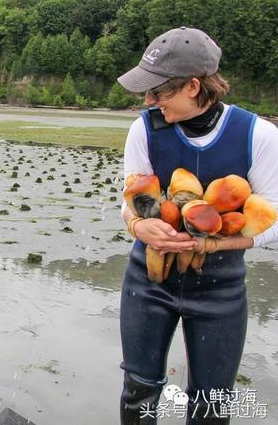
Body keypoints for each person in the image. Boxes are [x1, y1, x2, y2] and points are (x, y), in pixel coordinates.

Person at [116, 27, 278, 424]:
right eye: (147, 92)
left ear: (193, 86)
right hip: (148, 284)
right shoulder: (144, 130)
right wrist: (139, 228)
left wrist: (213, 246)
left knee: (212, 402)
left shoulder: (258, 135)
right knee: (139, 391)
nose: (149, 101)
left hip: (221, 291)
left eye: (158, 92)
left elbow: (274, 218)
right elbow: (127, 204)